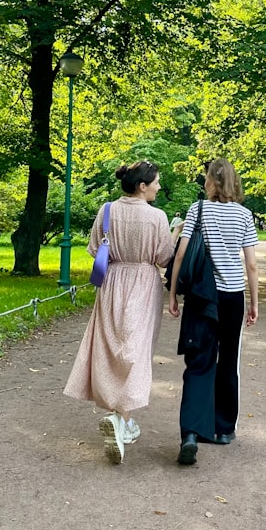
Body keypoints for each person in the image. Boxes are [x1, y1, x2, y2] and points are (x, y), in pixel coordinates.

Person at [63, 160, 174, 464]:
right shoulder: (157, 217)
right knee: (134, 349)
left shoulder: (107, 210)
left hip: (111, 281)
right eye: (156, 182)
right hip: (142, 282)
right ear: (143, 186)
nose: (159, 187)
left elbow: (95, 248)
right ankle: (121, 420)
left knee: (111, 346)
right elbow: (164, 257)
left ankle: (119, 416)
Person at [167, 158, 259, 466]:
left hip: (201, 296)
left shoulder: (198, 210)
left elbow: (181, 253)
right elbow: (251, 265)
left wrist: (172, 295)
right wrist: (254, 302)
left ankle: (191, 433)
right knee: (228, 360)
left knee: (198, 362)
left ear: (210, 181)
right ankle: (222, 430)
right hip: (232, 297)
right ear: (233, 182)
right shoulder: (245, 215)